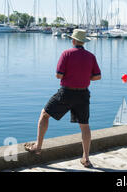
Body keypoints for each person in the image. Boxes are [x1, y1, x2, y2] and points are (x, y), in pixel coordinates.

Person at [24, 29, 101, 168]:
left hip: (66, 93)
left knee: (44, 115)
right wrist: (83, 77)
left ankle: (38, 146)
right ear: (83, 42)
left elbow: (59, 75)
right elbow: (97, 76)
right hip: (83, 94)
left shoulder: (66, 53)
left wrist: (71, 76)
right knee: (84, 125)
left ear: (73, 40)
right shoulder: (91, 56)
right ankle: (86, 158)